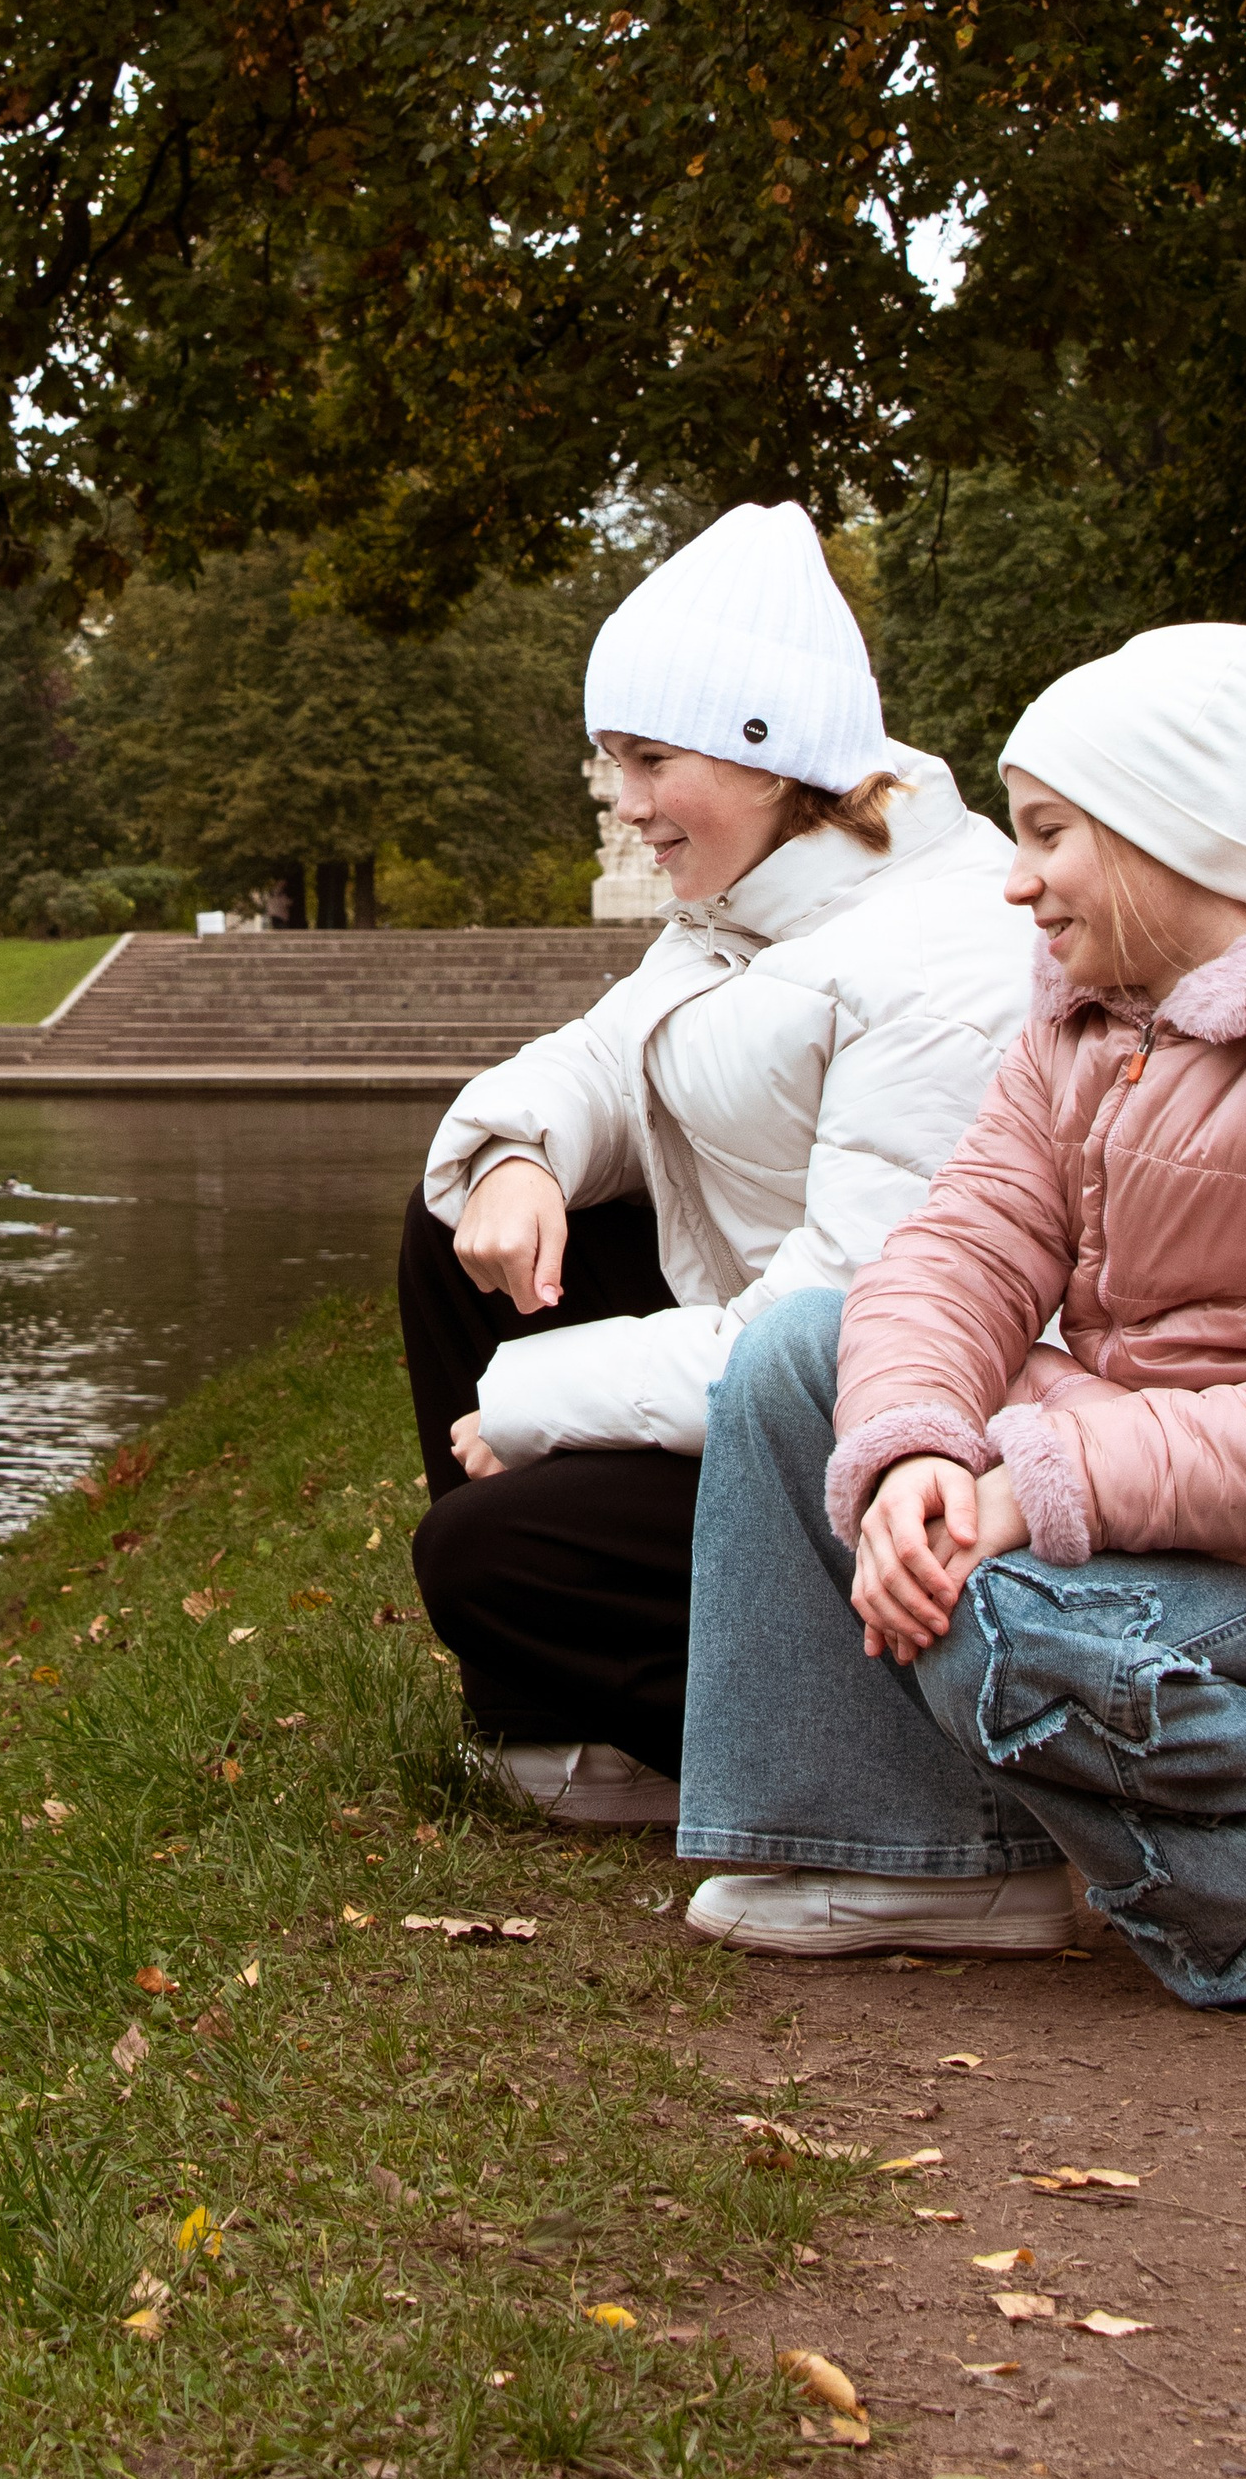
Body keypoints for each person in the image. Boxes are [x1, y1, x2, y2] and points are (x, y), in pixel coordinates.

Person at [676, 623, 1246, 2010]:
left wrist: (1028, 1488)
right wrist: (910, 1451)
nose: (1015, 881)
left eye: (1050, 835)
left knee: (991, 1615)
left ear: (1166, 837)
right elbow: (955, 1251)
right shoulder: (1087, 1029)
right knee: (800, 1355)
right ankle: (909, 1848)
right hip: (1154, 1496)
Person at [402, 501, 1036, 1825]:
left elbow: (847, 1326)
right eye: (611, 763)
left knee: (477, 1550)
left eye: (647, 761)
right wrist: (519, 1153)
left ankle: (863, 1765)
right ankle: (563, 1720)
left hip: (896, 1429)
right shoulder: (751, 893)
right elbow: (601, 1057)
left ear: (771, 753)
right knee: (458, 1219)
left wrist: (539, 1394)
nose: (625, 806)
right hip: (770, 1367)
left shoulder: (940, 962)